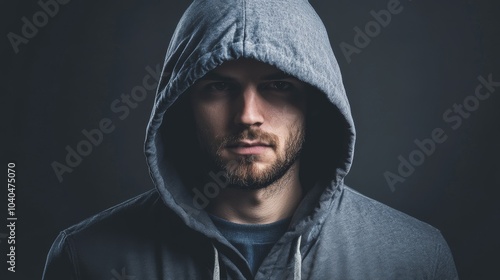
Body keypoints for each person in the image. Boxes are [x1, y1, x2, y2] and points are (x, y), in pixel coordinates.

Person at [42, 0, 458, 279]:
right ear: (184, 103)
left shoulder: (413, 259)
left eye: (278, 85)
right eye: (218, 87)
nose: (248, 115)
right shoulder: (88, 259)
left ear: (314, 102)